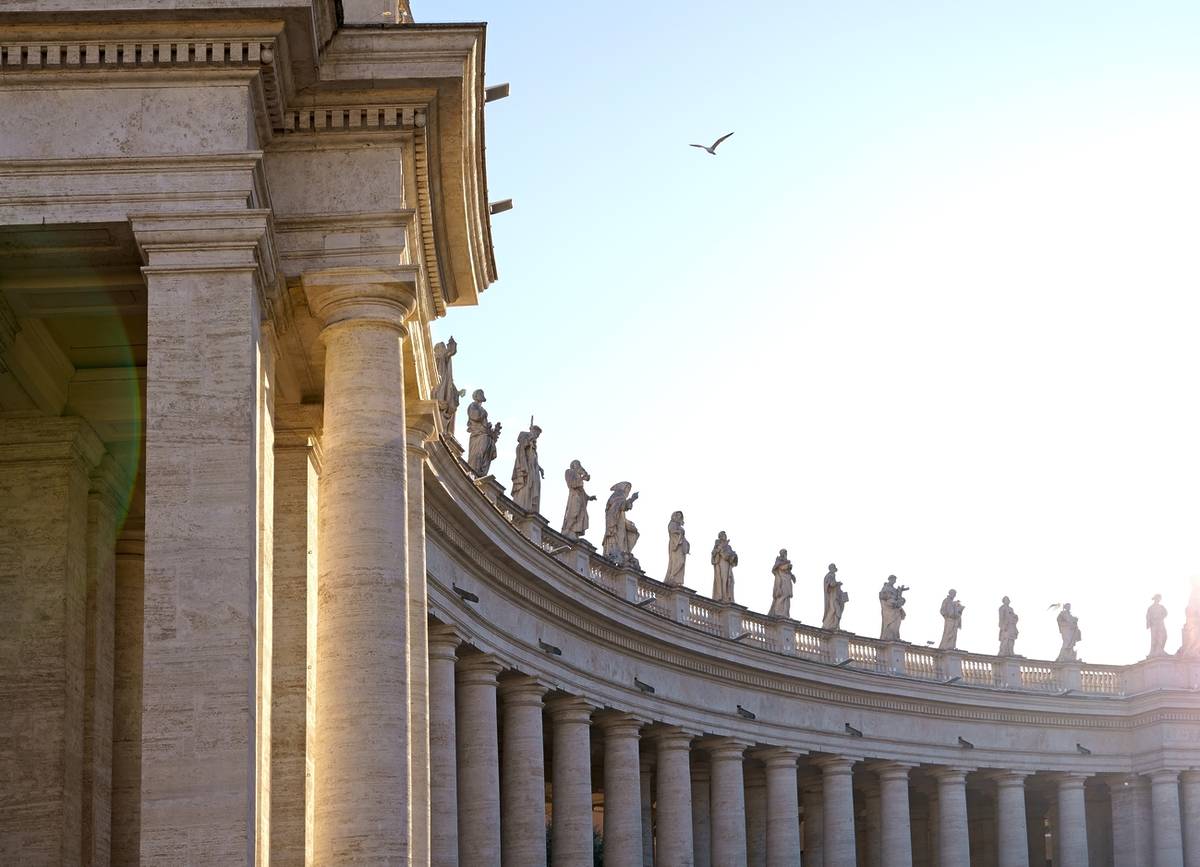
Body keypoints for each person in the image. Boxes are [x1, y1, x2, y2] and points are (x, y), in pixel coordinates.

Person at [602, 482, 640, 569]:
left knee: (625, 537)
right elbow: (621, 506)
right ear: (623, 488)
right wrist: (632, 499)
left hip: (619, 522)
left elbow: (621, 510)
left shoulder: (619, 496)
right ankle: (616, 554)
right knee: (618, 539)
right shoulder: (618, 495)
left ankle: (622, 554)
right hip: (615, 523)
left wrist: (627, 523)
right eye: (627, 489)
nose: (628, 491)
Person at [433, 337, 465, 435]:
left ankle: (446, 430)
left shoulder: (443, 360)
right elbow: (448, 353)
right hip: (437, 386)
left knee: (449, 402)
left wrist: (457, 392)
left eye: (443, 347)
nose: (443, 349)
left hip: (442, 386)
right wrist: (451, 350)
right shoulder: (436, 359)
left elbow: (450, 353)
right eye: (442, 347)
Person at [465, 389, 501, 476]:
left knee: (487, 452)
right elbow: (475, 416)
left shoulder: (481, 408)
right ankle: (475, 471)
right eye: (480, 394)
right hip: (478, 434)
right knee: (478, 453)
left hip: (484, 434)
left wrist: (493, 431)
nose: (481, 396)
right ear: (476, 396)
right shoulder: (472, 405)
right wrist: (483, 413)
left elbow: (483, 422)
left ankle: (481, 473)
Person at [510, 424, 544, 512]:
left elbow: (533, 459)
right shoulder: (524, 438)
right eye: (537, 434)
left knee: (533, 487)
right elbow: (520, 447)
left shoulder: (533, 448)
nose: (537, 437)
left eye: (538, 435)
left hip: (533, 470)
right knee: (526, 486)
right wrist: (528, 441)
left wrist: (539, 468)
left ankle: (530, 507)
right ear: (533, 431)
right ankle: (523, 506)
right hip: (526, 468)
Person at [561, 460, 595, 538]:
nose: (579, 466)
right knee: (574, 513)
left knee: (581, 515)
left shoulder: (578, 475)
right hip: (574, 497)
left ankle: (574, 531)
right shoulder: (569, 472)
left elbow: (582, 491)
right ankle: (567, 530)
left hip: (580, 497)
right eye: (577, 464)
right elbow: (572, 484)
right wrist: (582, 478)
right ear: (573, 465)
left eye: (580, 464)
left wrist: (589, 497)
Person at [711, 531, 738, 603]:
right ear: (720, 536)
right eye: (723, 535)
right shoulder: (718, 544)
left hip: (727, 565)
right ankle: (722, 596)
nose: (725, 536)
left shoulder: (728, 546)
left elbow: (732, 555)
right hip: (721, 563)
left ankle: (728, 596)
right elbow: (713, 554)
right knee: (723, 579)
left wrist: (733, 555)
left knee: (729, 580)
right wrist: (720, 549)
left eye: (725, 535)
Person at [879, 575, 908, 641]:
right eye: (893, 579)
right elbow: (882, 597)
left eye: (895, 580)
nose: (894, 581)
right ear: (889, 579)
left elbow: (898, 597)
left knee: (897, 623)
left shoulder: (894, 589)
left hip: (896, 608)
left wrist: (900, 592)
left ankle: (895, 637)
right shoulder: (885, 587)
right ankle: (889, 638)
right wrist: (891, 601)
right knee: (890, 623)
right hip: (889, 609)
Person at [768, 549, 795, 618]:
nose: (784, 553)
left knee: (787, 596)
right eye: (783, 552)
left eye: (785, 552)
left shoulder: (786, 563)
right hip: (782, 580)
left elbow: (787, 571)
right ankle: (779, 613)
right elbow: (780, 568)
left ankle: (785, 614)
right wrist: (787, 566)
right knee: (783, 595)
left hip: (787, 580)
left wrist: (792, 575)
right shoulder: (779, 562)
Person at [664, 511, 689, 587]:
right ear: (674, 516)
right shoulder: (672, 524)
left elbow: (682, 536)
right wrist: (679, 533)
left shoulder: (679, 526)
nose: (679, 517)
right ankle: (672, 577)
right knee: (677, 562)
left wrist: (686, 543)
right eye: (677, 515)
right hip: (675, 545)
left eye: (680, 516)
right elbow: (672, 532)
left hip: (681, 545)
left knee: (682, 562)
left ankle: (677, 580)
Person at [822, 563, 847, 630]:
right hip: (832, 598)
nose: (834, 570)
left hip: (835, 597)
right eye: (833, 568)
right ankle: (828, 625)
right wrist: (838, 583)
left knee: (836, 611)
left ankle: (835, 626)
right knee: (835, 610)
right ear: (831, 569)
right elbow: (831, 584)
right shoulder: (830, 576)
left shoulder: (832, 575)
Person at [1146, 594, 1169, 658]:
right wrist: (1149, 623)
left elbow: (1166, 613)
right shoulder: (1151, 608)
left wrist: (1161, 617)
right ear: (1155, 599)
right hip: (1154, 624)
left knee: (1164, 636)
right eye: (1158, 598)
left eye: (1160, 598)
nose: (1159, 599)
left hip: (1160, 622)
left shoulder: (1161, 607)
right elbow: (1148, 616)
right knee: (1155, 637)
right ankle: (1154, 651)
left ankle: (1160, 649)